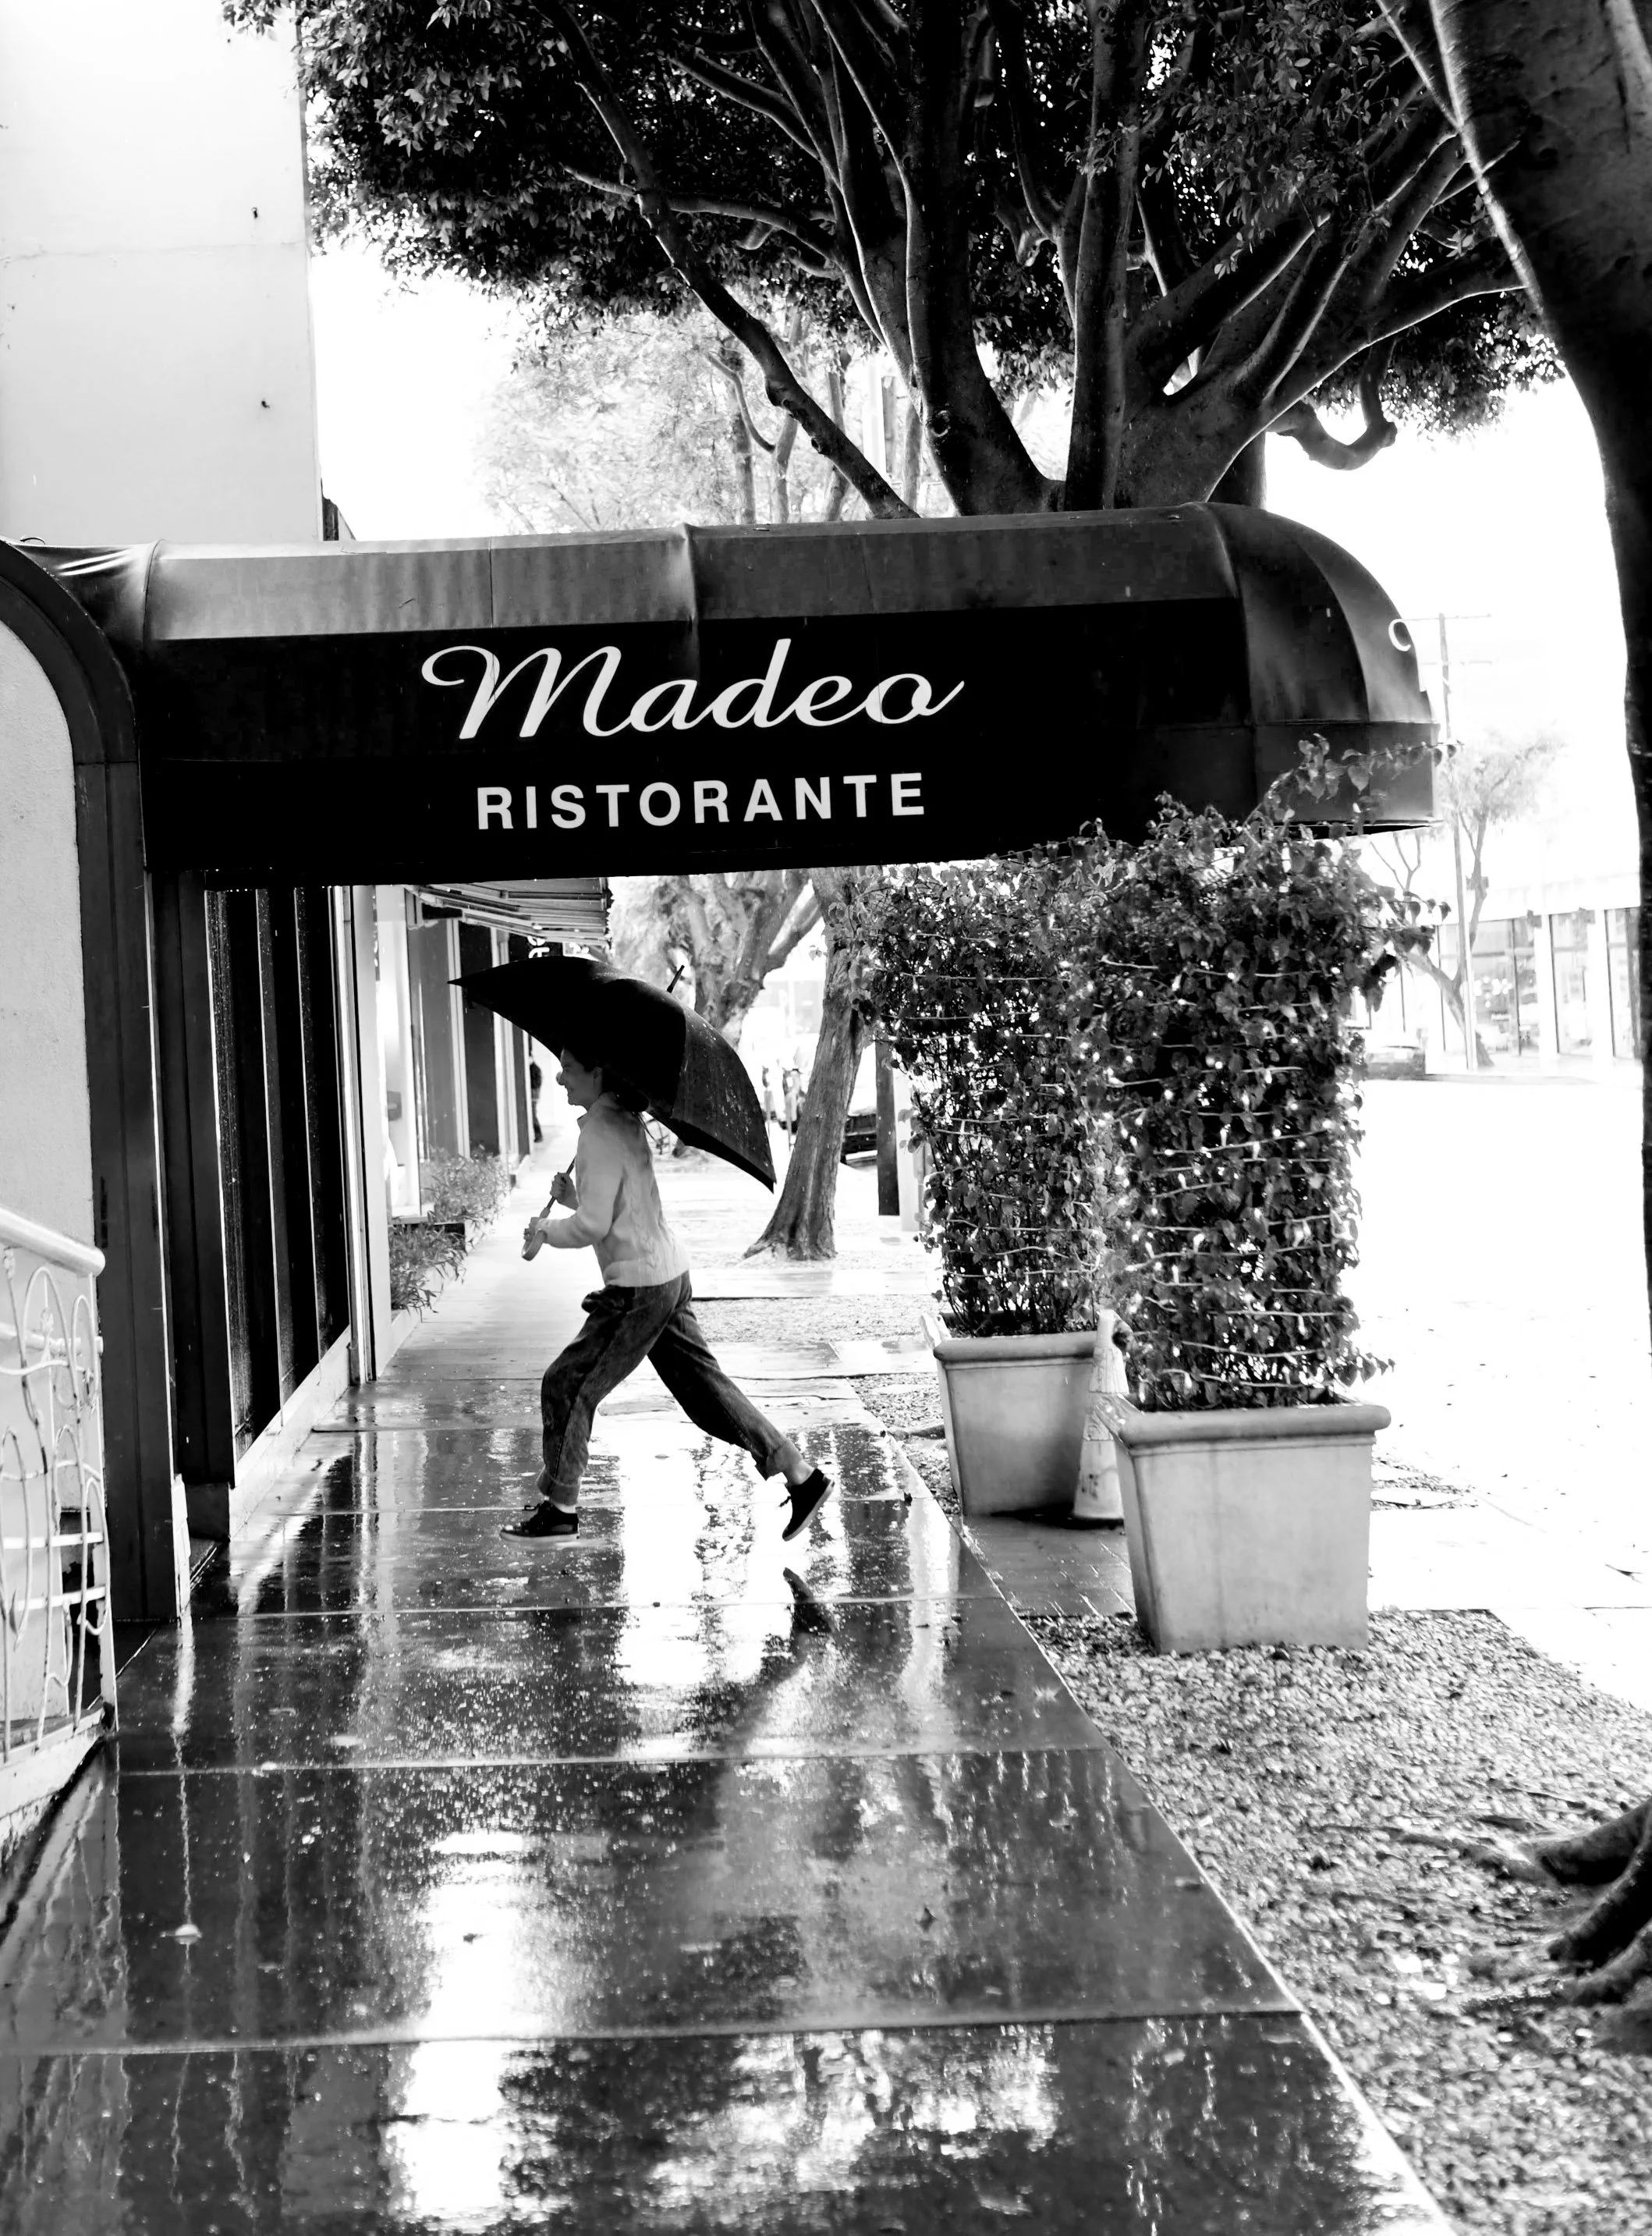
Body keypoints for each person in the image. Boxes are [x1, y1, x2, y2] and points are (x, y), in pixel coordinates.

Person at [506, 1043, 834, 1544]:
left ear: (597, 1071)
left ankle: (561, 1509)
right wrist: (573, 1198)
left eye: (569, 1069)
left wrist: (549, 1228)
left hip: (639, 1288)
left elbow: (593, 1226)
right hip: (667, 1275)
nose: (558, 1079)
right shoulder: (620, 1118)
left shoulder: (598, 1129)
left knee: (568, 1384)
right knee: (708, 1396)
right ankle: (801, 1474)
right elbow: (619, 1203)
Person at [527, 1052, 544, 1144]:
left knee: (533, 1116)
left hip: (533, 1097)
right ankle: (538, 1135)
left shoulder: (534, 1069)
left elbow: (536, 1084)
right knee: (533, 1116)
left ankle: (539, 1135)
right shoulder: (532, 1068)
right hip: (533, 1096)